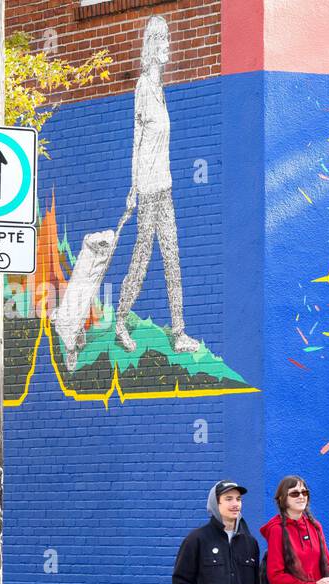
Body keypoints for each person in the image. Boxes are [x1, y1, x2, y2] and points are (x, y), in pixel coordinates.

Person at [115, 16, 199, 356]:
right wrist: (134, 187)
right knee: (143, 255)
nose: (168, 46)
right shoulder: (143, 88)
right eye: (162, 41)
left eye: (167, 39)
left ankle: (179, 333)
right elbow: (137, 140)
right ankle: (120, 319)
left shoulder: (160, 88)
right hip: (149, 190)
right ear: (151, 46)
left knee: (172, 257)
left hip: (165, 187)